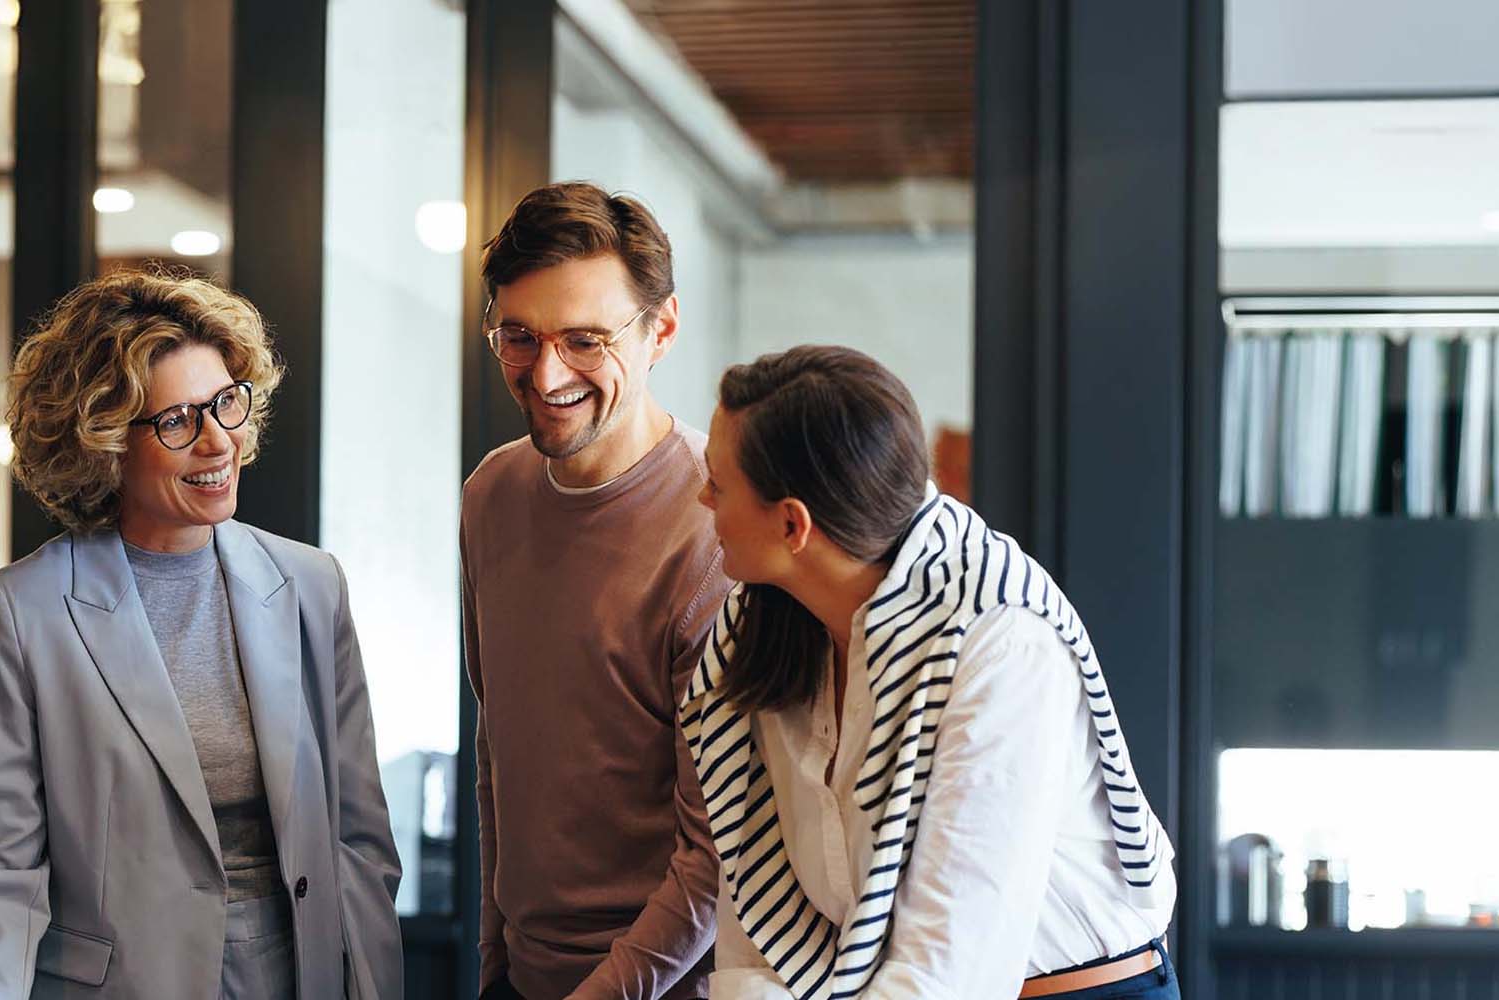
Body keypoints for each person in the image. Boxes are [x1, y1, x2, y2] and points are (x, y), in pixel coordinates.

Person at [0, 269, 401, 999]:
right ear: (107, 442)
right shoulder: (22, 612)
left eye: (226, 404)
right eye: (179, 420)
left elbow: (361, 845)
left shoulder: (311, 585)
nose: (218, 442)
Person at [686, 345, 1179, 1000]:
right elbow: (756, 904)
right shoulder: (766, 628)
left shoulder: (1000, 642)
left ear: (792, 523)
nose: (701, 496)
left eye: (719, 483)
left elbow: (954, 971)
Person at [461, 182, 730, 1000]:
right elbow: (497, 748)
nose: (547, 374)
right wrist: (494, 960)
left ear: (663, 330)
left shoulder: (717, 526)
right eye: (519, 336)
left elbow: (717, 850)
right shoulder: (491, 494)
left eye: (585, 340)